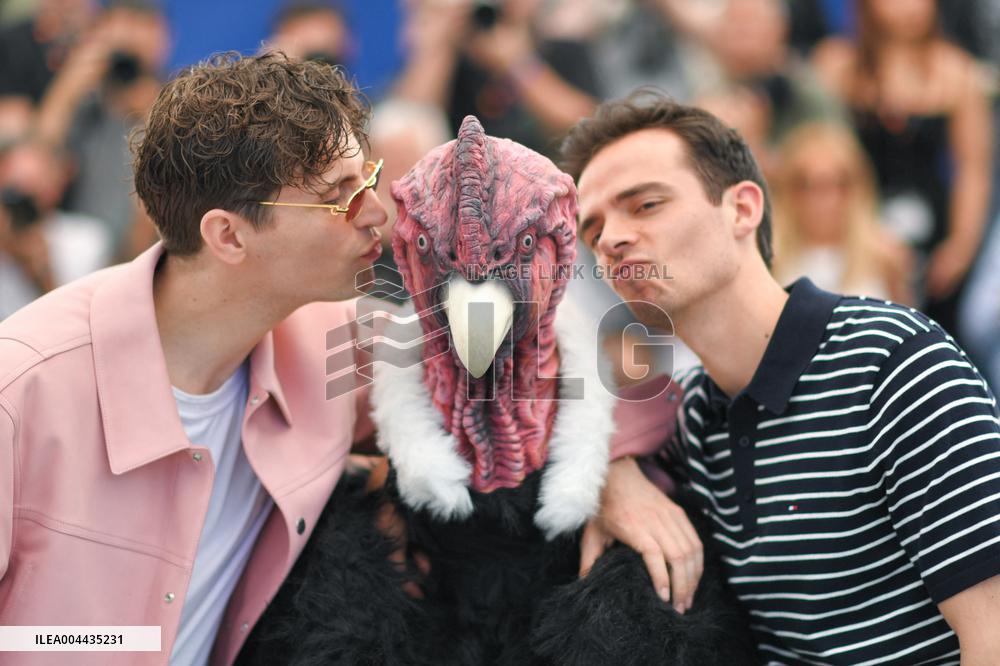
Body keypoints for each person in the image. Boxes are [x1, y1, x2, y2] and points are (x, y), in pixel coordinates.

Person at [0, 53, 693, 665]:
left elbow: (534, 367)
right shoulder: (24, 389)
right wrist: (97, 641)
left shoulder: (329, 343)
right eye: (338, 196)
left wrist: (614, 470)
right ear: (229, 237)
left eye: (368, 178)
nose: (376, 214)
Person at [563, 91, 1000, 663]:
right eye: (592, 231)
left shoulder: (891, 361)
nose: (611, 241)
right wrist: (611, 481)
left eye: (645, 205)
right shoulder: (695, 415)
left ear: (743, 209)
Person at [770, 121, 914, 304]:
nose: (825, 199)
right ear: (788, 191)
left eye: (839, 184)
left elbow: (906, 323)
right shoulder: (770, 258)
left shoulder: (886, 256)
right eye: (807, 185)